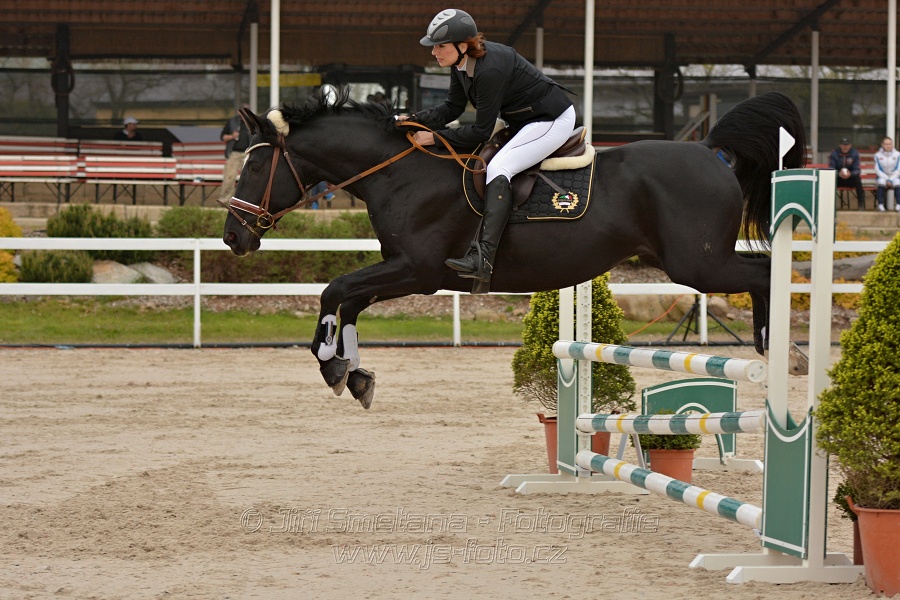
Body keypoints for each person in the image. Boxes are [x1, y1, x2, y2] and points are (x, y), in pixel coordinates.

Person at [400, 8, 576, 286]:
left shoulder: (489, 69)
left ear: (462, 45)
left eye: (440, 46)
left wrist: (434, 138)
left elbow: (481, 130)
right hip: (524, 121)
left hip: (550, 119)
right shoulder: (461, 65)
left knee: (499, 168)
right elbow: (452, 108)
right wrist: (412, 120)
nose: (434, 52)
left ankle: (483, 257)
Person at [218, 104, 251, 205]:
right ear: (238, 111)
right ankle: (224, 201)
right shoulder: (232, 122)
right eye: (242, 111)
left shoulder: (252, 122)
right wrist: (232, 136)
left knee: (250, 178)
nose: (244, 113)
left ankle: (247, 202)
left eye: (247, 110)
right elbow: (222, 137)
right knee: (229, 177)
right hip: (234, 153)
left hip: (249, 154)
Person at [828, 137, 866, 210]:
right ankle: (830, 206)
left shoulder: (854, 154)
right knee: (830, 181)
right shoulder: (834, 154)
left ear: (850, 145)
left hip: (850, 179)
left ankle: (861, 205)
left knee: (858, 180)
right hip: (838, 179)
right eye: (843, 145)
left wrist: (850, 174)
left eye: (847, 145)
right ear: (840, 145)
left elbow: (857, 169)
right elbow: (831, 168)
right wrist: (838, 173)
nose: (845, 147)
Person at [874, 136, 900, 212]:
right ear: (882, 145)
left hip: (894, 176)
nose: (888, 146)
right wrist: (886, 179)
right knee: (881, 182)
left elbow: (899, 170)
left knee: (897, 182)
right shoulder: (877, 155)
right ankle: (880, 205)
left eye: (890, 144)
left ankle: (898, 205)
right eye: (886, 144)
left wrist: (890, 179)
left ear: (892, 145)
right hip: (882, 176)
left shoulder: (898, 155)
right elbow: (877, 169)